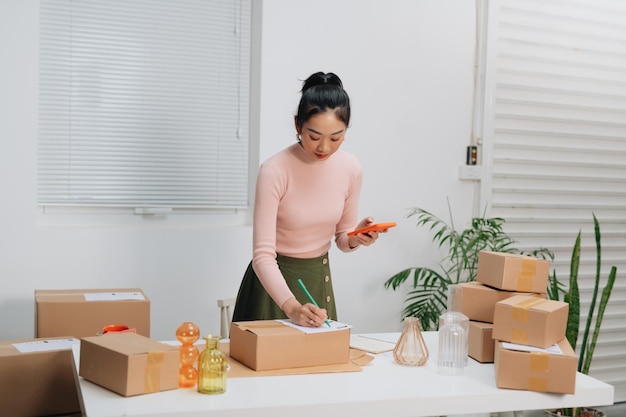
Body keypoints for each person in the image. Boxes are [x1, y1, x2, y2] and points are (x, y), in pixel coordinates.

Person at [232, 71, 384, 328]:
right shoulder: (274, 171)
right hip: (272, 289)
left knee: (320, 364)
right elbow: (263, 256)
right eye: (314, 136)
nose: (324, 147)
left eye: (335, 138)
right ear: (297, 125)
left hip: (317, 278)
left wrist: (357, 236)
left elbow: (342, 239)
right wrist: (291, 307)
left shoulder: (351, 169)